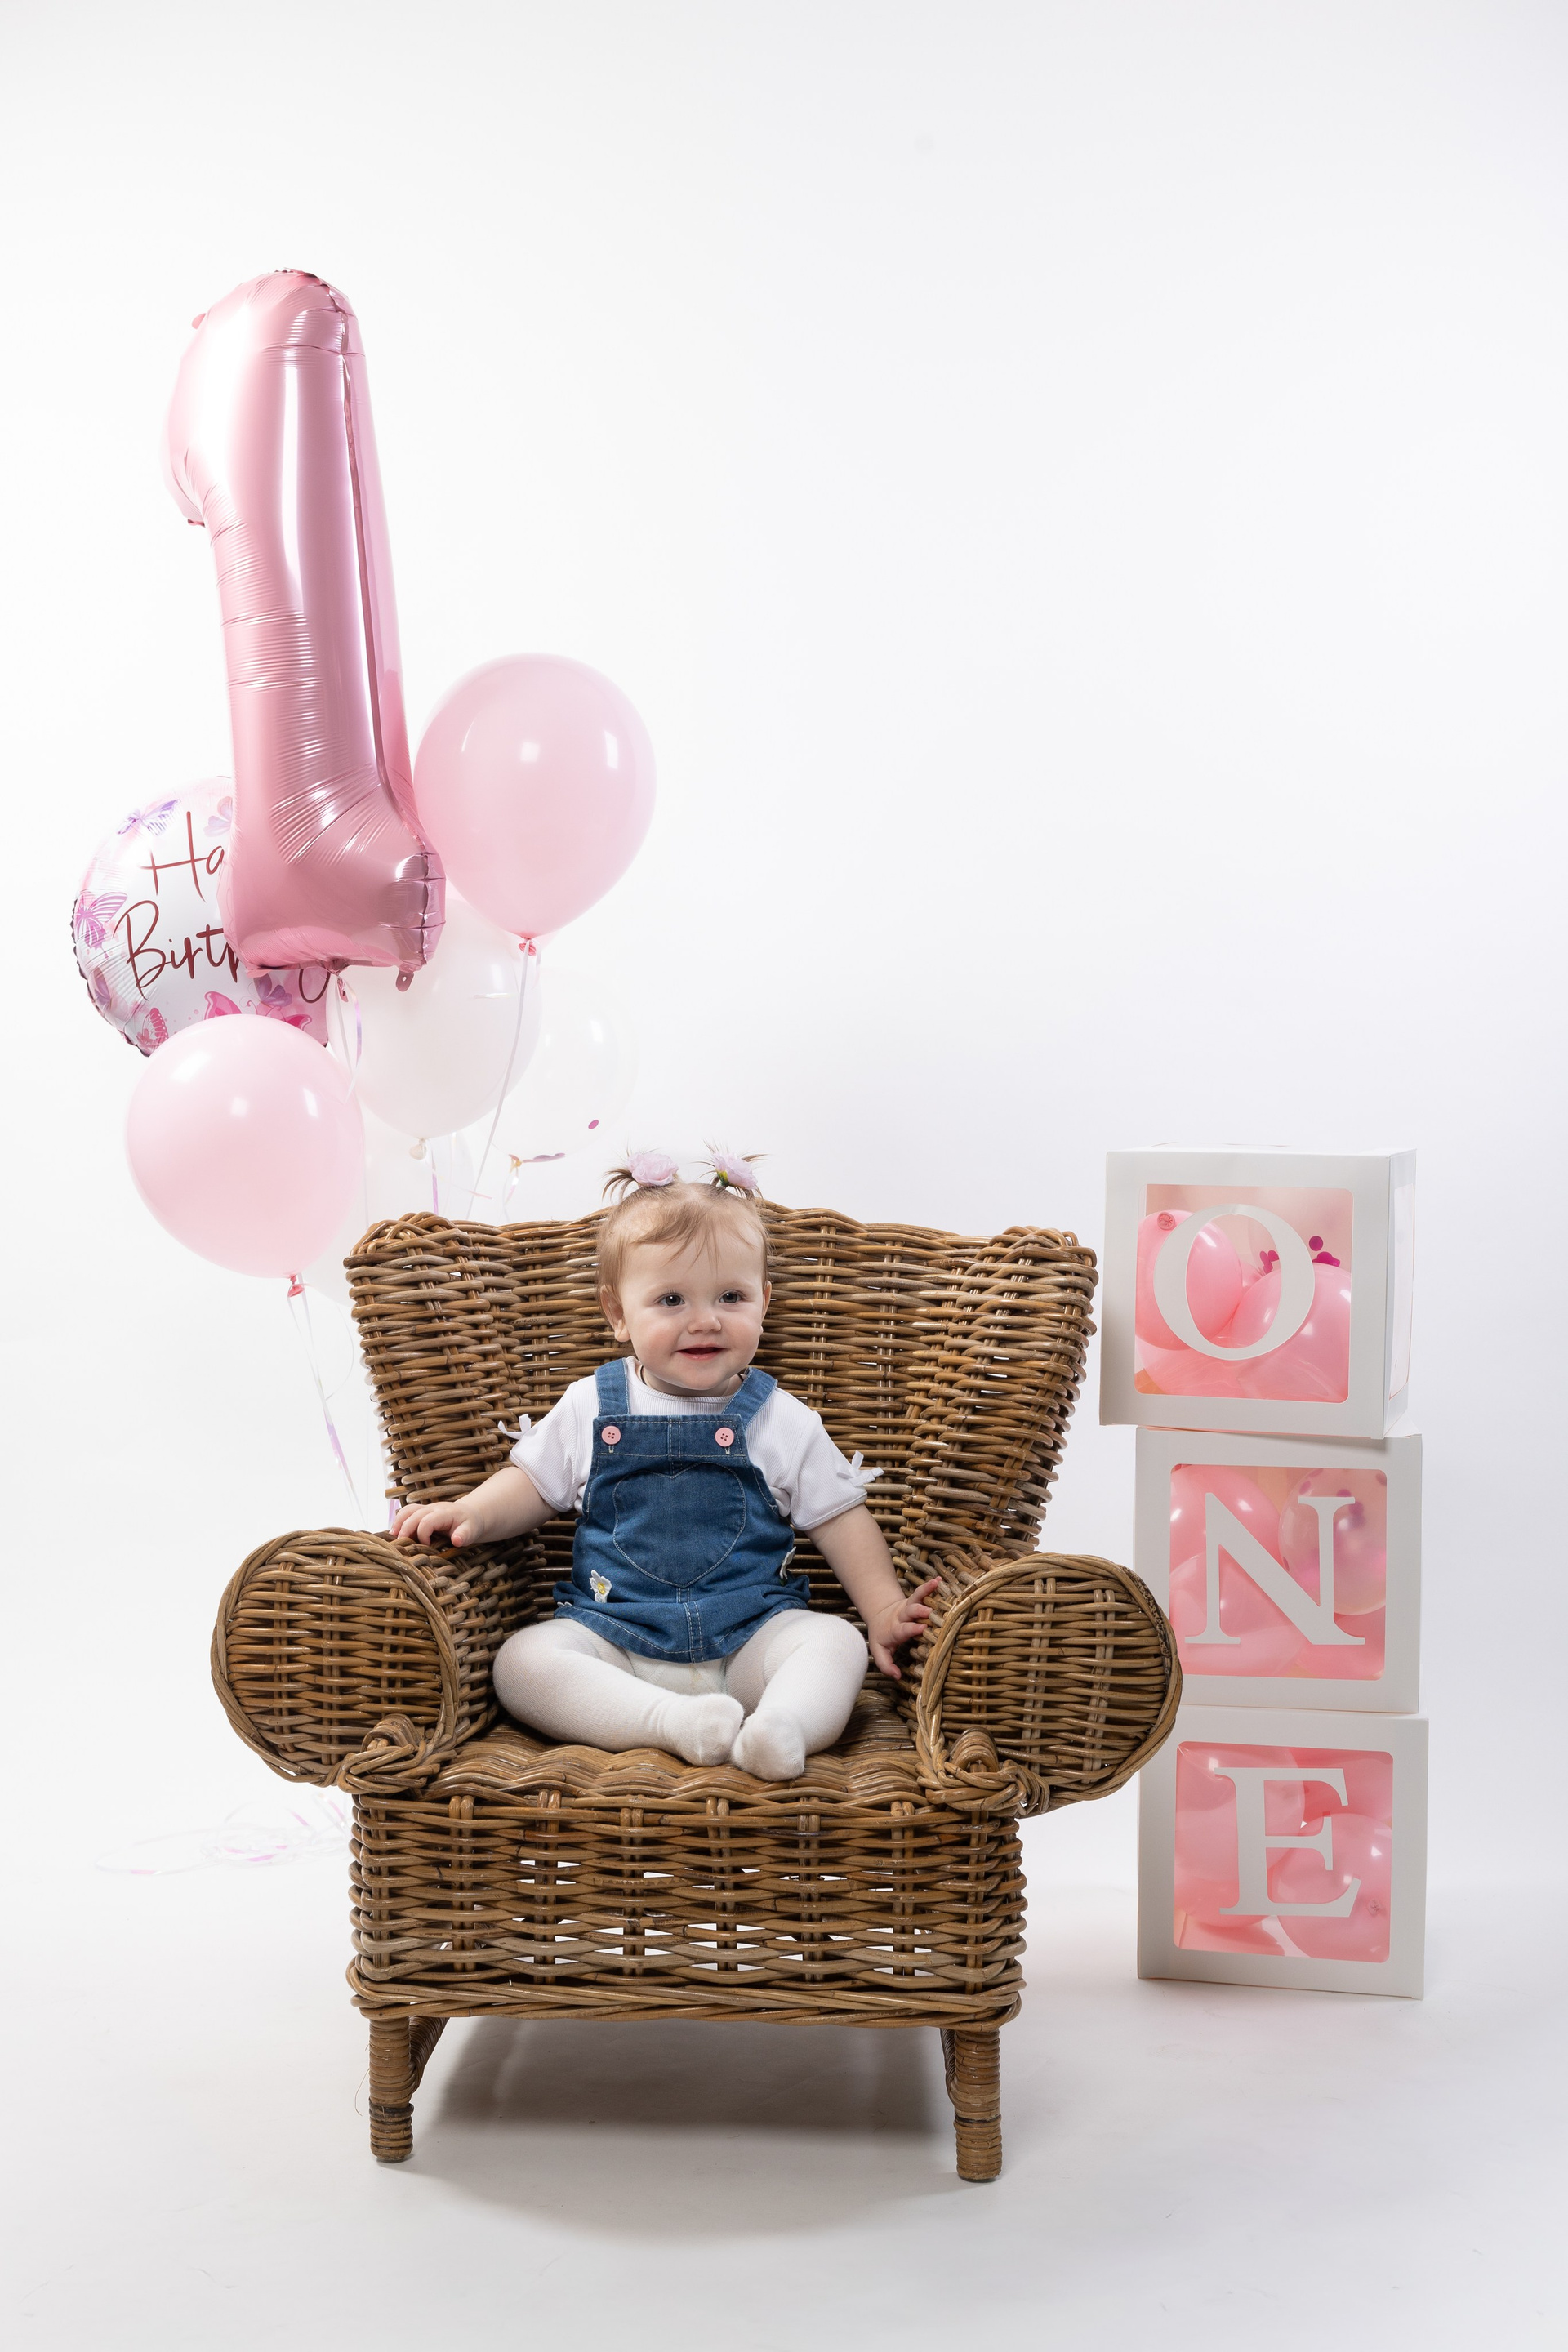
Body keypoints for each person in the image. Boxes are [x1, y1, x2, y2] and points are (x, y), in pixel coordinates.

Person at [393, 1149, 936, 1780]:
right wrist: (471, 1513)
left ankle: (782, 1727)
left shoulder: (780, 1418)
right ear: (618, 1314)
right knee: (523, 1662)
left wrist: (883, 1610)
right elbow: (533, 1484)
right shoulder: (592, 1404)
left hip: (750, 1640)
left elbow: (840, 1518)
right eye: (671, 1299)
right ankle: (672, 1723)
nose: (704, 1320)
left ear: (764, 1302)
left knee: (834, 1642)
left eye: (731, 1296)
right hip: (615, 1639)